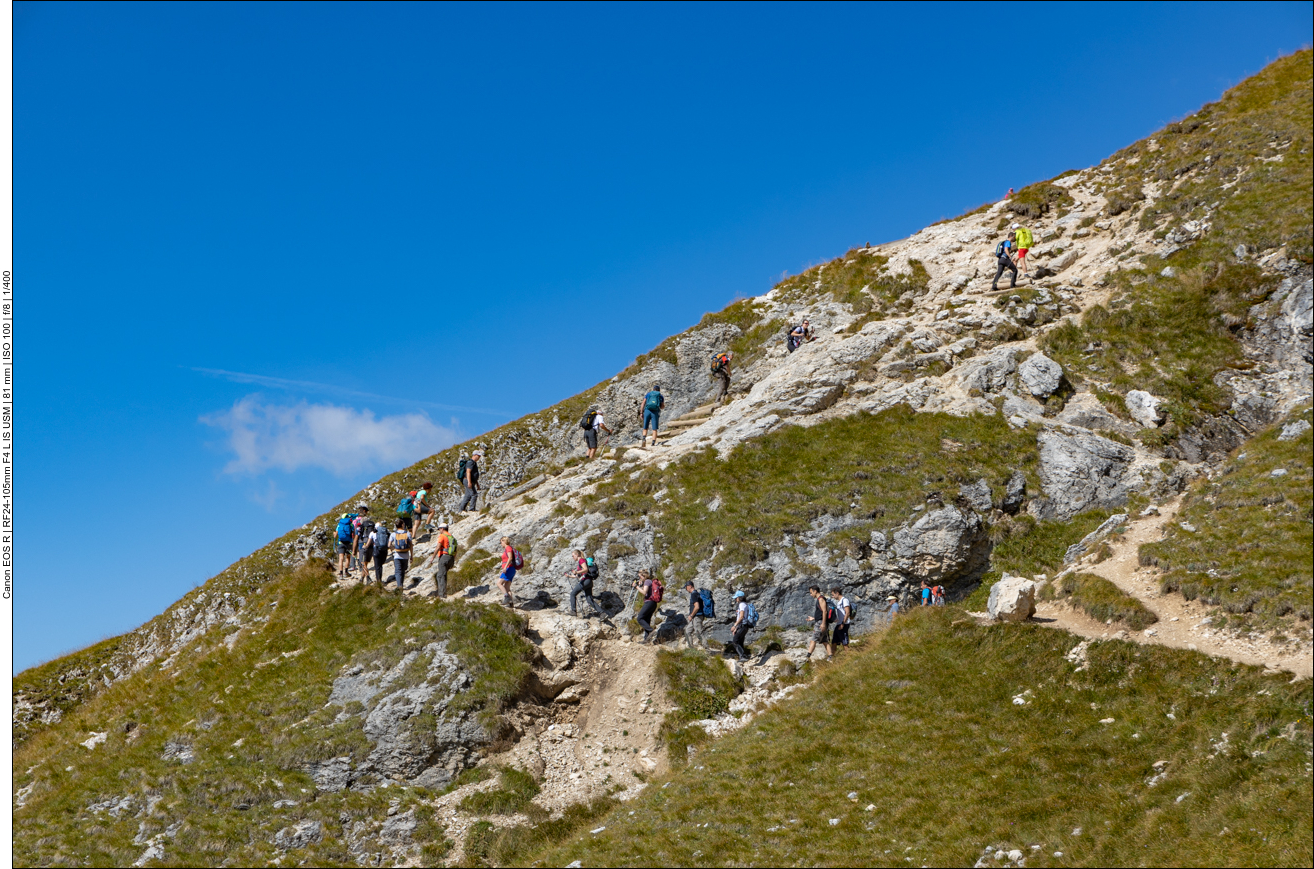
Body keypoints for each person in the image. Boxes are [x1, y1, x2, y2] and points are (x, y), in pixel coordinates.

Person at [568, 549, 605, 617]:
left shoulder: (581, 560)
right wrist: (569, 576)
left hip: (585, 581)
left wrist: (576, 572)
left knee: (572, 594)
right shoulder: (581, 562)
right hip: (589, 582)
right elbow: (579, 576)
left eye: (573, 556)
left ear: (577, 555)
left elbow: (586, 569)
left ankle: (573, 611)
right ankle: (602, 613)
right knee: (589, 599)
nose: (572, 557)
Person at [632, 568, 662, 643]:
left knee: (640, 618)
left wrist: (636, 587)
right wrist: (641, 585)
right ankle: (646, 639)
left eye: (640, 576)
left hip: (649, 602)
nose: (639, 578)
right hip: (653, 604)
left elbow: (644, 592)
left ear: (643, 576)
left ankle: (651, 631)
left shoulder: (647, 581)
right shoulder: (649, 581)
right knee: (646, 620)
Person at [805, 585, 832, 660]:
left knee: (813, 640)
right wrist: (813, 618)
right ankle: (830, 656)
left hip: (820, 623)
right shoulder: (820, 599)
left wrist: (823, 623)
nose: (811, 595)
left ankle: (807, 657)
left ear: (815, 591)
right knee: (824, 641)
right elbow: (821, 613)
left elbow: (824, 611)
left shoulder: (821, 599)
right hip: (821, 622)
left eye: (811, 593)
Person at [388, 519, 413, 596]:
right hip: (406, 556)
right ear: (402, 525)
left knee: (398, 572)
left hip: (397, 556)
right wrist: (411, 556)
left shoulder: (393, 534)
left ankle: (400, 587)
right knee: (403, 571)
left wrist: (393, 548)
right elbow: (411, 545)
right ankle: (401, 585)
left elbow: (389, 545)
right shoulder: (407, 533)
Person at [430, 521, 454, 598]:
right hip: (451, 557)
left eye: (439, 529)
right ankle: (443, 592)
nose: (439, 531)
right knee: (443, 575)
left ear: (442, 529)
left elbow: (438, 547)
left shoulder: (442, 536)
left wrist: (433, 557)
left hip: (444, 557)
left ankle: (442, 595)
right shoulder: (451, 536)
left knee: (440, 576)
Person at [684, 581, 709, 651]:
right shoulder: (697, 594)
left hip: (697, 617)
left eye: (686, 587)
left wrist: (691, 615)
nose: (686, 589)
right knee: (687, 631)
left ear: (690, 586)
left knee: (698, 633)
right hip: (696, 617)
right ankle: (691, 649)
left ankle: (707, 650)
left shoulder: (694, 594)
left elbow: (697, 607)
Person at [351, 505, 374, 576]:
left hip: (358, 538)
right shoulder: (366, 520)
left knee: (357, 552)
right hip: (367, 540)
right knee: (364, 559)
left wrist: (353, 550)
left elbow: (354, 530)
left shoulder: (355, 520)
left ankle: (354, 566)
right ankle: (363, 574)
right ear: (364, 511)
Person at [728, 590, 751, 661]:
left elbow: (741, 617)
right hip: (744, 626)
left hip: (743, 626)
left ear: (740, 597)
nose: (735, 599)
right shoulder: (744, 604)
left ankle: (743, 656)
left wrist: (735, 626)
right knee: (740, 641)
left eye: (736, 597)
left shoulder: (742, 604)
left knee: (735, 641)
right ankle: (743, 657)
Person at [829, 587, 852, 652]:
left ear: (837, 593)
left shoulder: (844, 600)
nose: (833, 596)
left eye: (833, 595)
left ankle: (849, 655)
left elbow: (847, 613)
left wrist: (843, 623)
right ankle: (832, 656)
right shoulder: (839, 602)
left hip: (844, 624)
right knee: (834, 641)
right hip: (839, 623)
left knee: (844, 642)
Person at [334, 511, 357, 577]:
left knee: (341, 558)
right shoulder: (350, 524)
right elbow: (353, 534)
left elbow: (335, 536)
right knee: (348, 557)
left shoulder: (339, 524)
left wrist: (334, 534)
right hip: (349, 542)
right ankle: (346, 572)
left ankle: (341, 574)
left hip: (340, 542)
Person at [641, 384, 665, 448]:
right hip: (655, 412)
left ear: (653, 389)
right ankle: (653, 443)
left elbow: (643, 403)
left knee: (645, 427)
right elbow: (662, 407)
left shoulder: (648, 394)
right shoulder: (660, 396)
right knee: (654, 429)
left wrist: (641, 413)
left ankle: (644, 439)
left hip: (647, 411)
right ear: (659, 390)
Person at [497, 536, 517, 606]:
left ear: (504, 541)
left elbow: (510, 558)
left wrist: (505, 567)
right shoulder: (508, 548)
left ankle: (506, 597)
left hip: (509, 568)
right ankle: (511, 604)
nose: (501, 544)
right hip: (511, 569)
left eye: (501, 542)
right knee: (507, 587)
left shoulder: (508, 548)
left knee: (499, 583)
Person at [369, 521, 390, 586]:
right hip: (384, 550)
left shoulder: (372, 532)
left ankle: (379, 581)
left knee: (377, 566)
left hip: (376, 550)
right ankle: (380, 580)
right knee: (381, 564)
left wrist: (365, 547)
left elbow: (369, 542)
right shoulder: (385, 532)